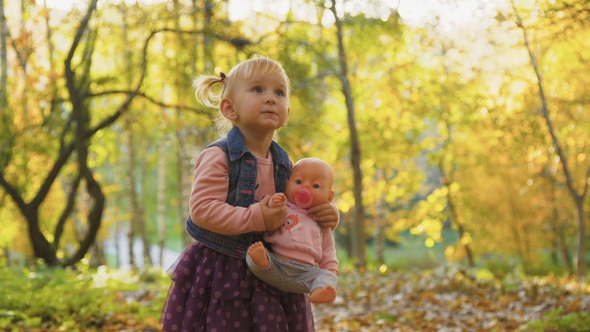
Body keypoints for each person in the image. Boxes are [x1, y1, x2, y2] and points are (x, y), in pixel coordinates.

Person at [160, 55, 340, 332]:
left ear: (287, 113)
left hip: (275, 269)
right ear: (230, 108)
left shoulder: (286, 164)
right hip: (224, 270)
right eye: (258, 89)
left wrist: (327, 213)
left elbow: (302, 205)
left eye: (279, 92)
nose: (270, 98)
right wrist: (258, 217)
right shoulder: (219, 156)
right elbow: (203, 209)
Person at [246, 158, 339, 304]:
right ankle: (262, 262)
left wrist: (330, 269)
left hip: (304, 273)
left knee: (329, 278)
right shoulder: (285, 207)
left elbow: (328, 250)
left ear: (329, 197)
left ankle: (319, 291)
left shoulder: (321, 222)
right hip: (276, 262)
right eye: (298, 182)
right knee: (251, 256)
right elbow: (270, 211)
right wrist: (274, 202)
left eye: (315, 186)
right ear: (287, 183)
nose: (305, 189)